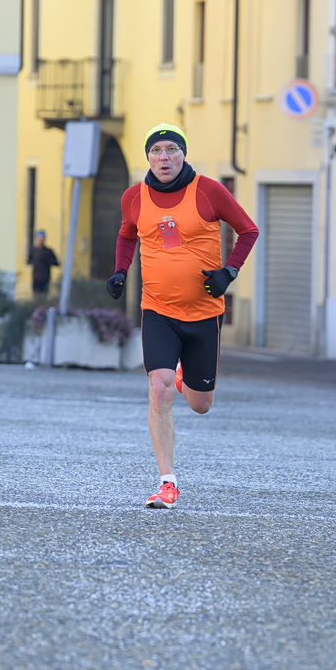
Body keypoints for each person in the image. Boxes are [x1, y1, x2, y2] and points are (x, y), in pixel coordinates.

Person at [105, 123, 258, 508]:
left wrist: (229, 272)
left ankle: (182, 376)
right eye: (156, 151)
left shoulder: (208, 191)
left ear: (183, 154)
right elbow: (127, 235)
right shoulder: (134, 197)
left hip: (204, 312)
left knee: (200, 404)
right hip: (157, 310)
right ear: (148, 157)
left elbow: (248, 230)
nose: (164, 157)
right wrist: (121, 271)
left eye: (171, 149)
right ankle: (167, 482)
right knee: (158, 389)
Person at [27, 229, 59, 301]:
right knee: (36, 295)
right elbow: (29, 261)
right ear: (36, 239)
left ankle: (43, 306)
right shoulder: (33, 250)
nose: (40, 240)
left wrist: (47, 261)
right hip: (36, 277)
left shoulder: (49, 251)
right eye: (39, 238)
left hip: (45, 277)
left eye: (42, 238)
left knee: (44, 295)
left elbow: (56, 263)